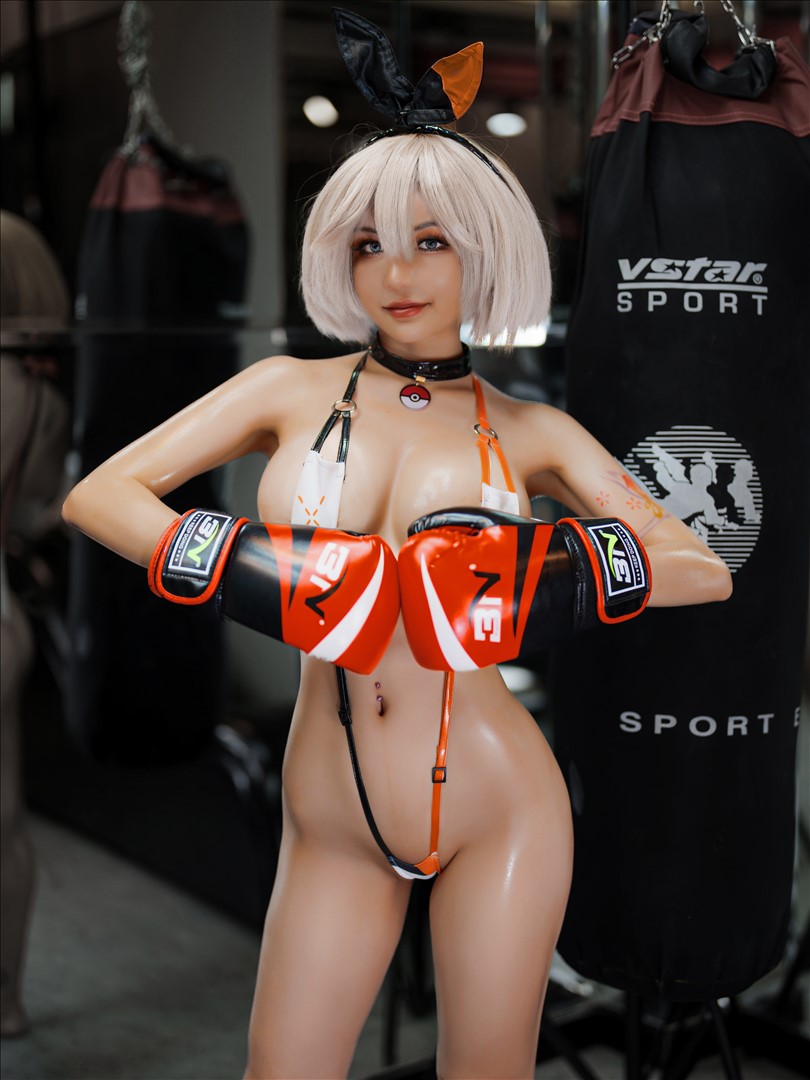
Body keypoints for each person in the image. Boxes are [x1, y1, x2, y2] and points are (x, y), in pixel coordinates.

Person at [62, 11, 732, 1078]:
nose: (396, 273)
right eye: (368, 244)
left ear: (484, 251)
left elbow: (700, 565)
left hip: (498, 798)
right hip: (335, 808)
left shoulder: (534, 431)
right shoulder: (284, 389)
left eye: (432, 241)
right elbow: (101, 495)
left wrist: (542, 576)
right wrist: (260, 571)